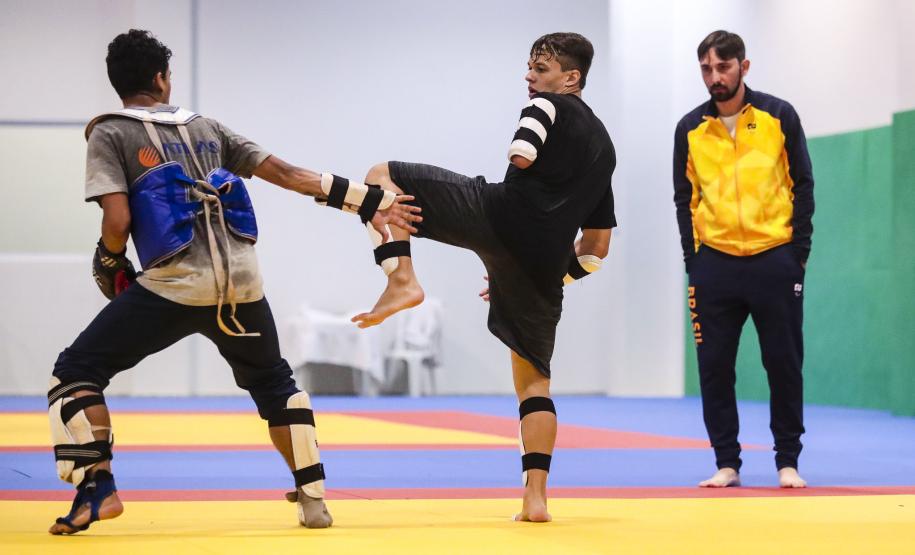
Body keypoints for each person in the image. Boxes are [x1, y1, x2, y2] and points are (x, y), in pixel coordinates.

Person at [47, 29, 421, 535]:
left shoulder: (109, 133)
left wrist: (109, 260)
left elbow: (116, 222)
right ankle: (313, 498)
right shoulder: (206, 127)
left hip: (173, 287)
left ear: (119, 84)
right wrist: (370, 200)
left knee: (76, 371)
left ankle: (98, 489)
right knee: (274, 385)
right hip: (242, 286)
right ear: (161, 78)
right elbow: (287, 173)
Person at [345, 32, 616, 522]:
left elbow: (522, 154)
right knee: (534, 384)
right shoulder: (605, 149)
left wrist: (530, 127)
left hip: (495, 215)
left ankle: (402, 279)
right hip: (540, 265)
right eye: (529, 67)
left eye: (540, 67)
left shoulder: (546, 106)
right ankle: (536, 499)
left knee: (381, 175)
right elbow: (596, 249)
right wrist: (553, 275)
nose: (529, 76)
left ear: (570, 78)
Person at [672, 30, 814, 488]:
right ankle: (727, 462)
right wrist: (693, 261)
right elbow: (683, 199)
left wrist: (799, 254)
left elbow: (802, 185)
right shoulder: (689, 129)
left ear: (743, 67)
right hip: (714, 264)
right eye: (706, 69)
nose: (715, 77)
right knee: (714, 366)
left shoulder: (779, 115)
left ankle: (787, 460)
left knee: (784, 362)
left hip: (775, 258)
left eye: (723, 67)